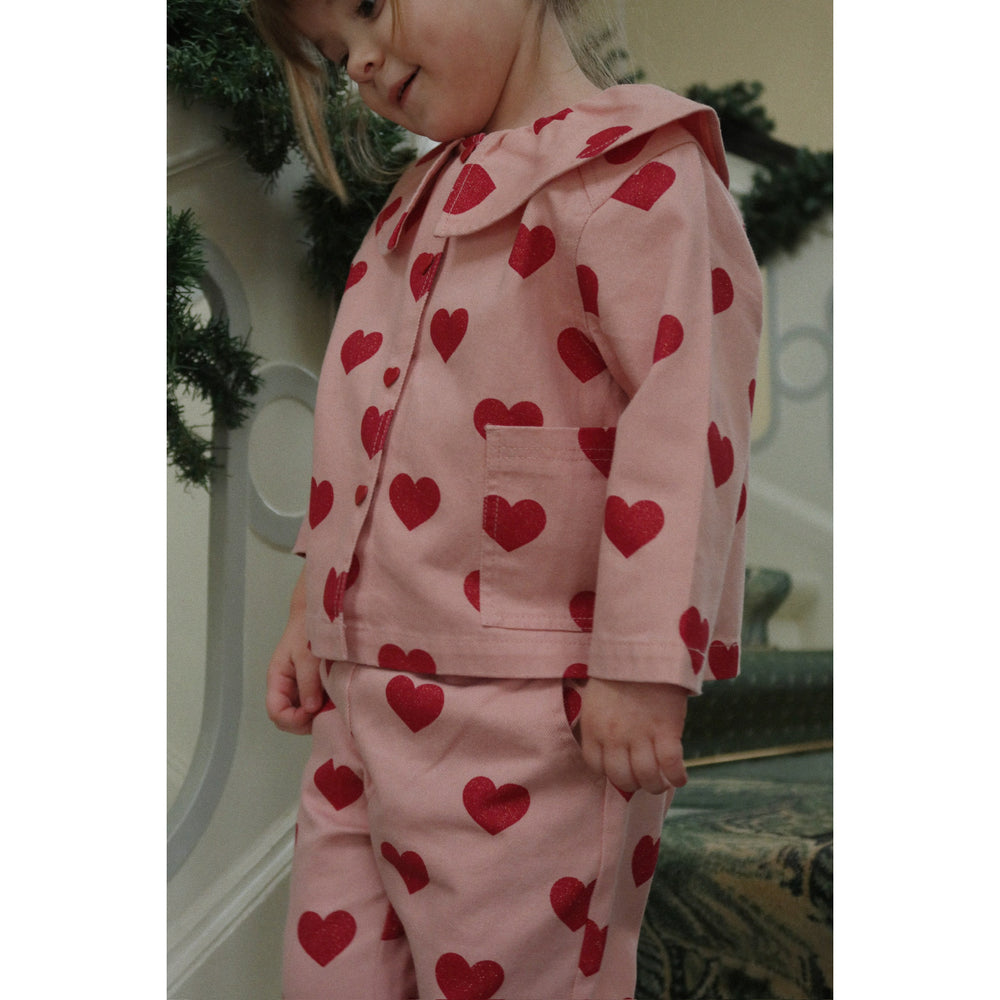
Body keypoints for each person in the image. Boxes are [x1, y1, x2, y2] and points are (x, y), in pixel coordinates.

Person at [251, 1, 762, 997]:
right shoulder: (415, 200)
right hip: (360, 696)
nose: (358, 62)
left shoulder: (639, 170)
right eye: (332, 50)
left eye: (368, 7)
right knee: (328, 975)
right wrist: (314, 599)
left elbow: (682, 428)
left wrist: (643, 663)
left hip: (536, 717)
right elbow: (366, 413)